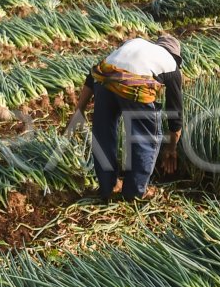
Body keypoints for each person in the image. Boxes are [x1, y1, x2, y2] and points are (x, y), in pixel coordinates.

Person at [68, 35, 183, 201]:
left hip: (104, 81)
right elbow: (176, 114)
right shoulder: (171, 66)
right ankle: (135, 193)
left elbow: (93, 74)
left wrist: (79, 111)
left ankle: (108, 187)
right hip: (136, 85)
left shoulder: (134, 43)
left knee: (103, 135)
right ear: (175, 56)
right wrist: (171, 148)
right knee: (145, 139)